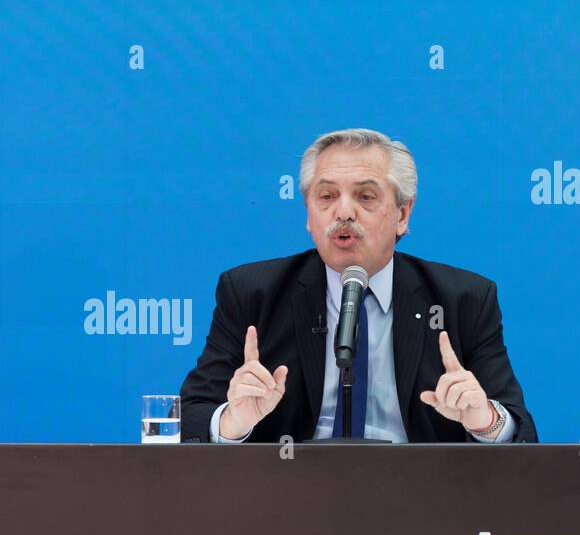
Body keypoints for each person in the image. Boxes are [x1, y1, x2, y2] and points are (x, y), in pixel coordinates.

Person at [179, 128, 535, 444]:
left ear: (403, 214)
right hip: (289, 497)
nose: (344, 212)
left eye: (365, 197)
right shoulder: (251, 293)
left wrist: (484, 421)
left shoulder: (464, 298)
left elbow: (521, 434)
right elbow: (192, 419)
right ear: (309, 214)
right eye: (327, 197)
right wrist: (234, 421)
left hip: (421, 498)